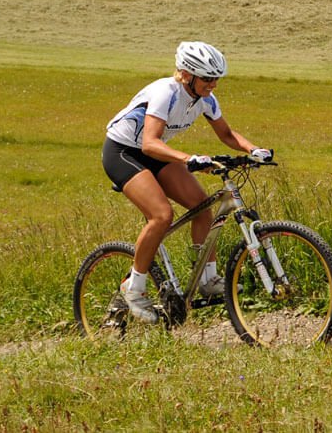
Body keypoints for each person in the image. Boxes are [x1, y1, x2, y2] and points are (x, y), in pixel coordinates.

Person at [101, 41, 272, 322]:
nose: (213, 84)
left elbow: (227, 135)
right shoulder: (164, 93)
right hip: (124, 152)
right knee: (161, 215)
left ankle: (208, 279)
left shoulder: (205, 98)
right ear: (187, 74)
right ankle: (134, 288)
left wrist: (254, 150)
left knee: (203, 207)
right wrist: (189, 158)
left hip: (157, 152)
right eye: (207, 78)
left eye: (216, 78)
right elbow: (149, 144)